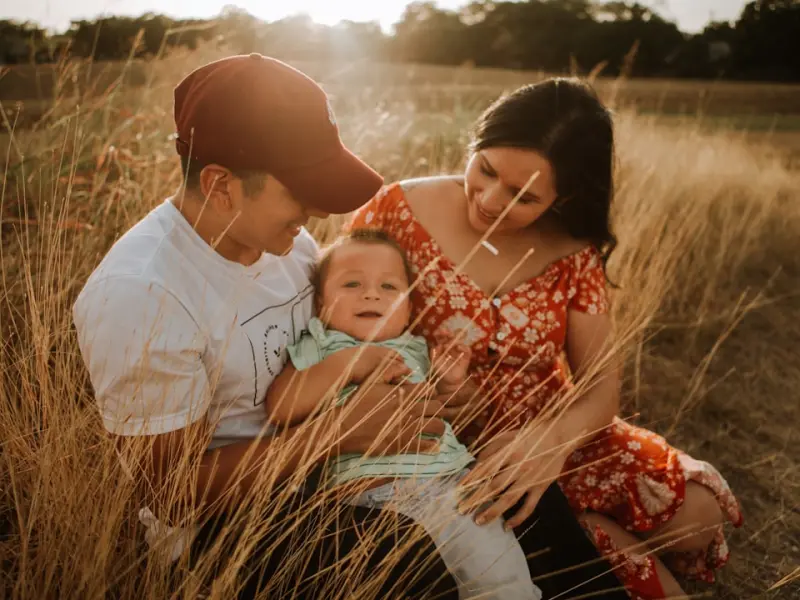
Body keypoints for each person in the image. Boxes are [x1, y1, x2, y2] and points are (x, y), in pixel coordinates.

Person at [72, 53, 462, 599]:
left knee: (511, 513)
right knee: (416, 565)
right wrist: (337, 433)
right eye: (299, 191)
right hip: (225, 530)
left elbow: (334, 341)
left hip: (335, 467)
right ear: (219, 184)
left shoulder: (288, 241)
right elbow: (172, 493)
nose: (318, 215)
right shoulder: (141, 296)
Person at [346, 78, 744, 599]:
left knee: (699, 511)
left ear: (565, 195)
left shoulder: (573, 248)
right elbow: (339, 316)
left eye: (523, 196)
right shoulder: (395, 210)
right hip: (436, 432)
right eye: (485, 169)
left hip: (552, 428)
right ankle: (588, 536)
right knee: (547, 512)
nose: (489, 200)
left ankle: (577, 529)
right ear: (475, 143)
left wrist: (549, 444)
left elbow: (600, 386)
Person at [265, 228, 541, 599]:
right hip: (370, 500)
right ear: (320, 305)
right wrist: (348, 364)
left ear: (410, 308)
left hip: (453, 489)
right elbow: (281, 406)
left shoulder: (415, 348)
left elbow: (448, 412)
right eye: (351, 284)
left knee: (503, 582)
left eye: (389, 287)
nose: (371, 293)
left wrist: (451, 382)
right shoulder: (322, 347)